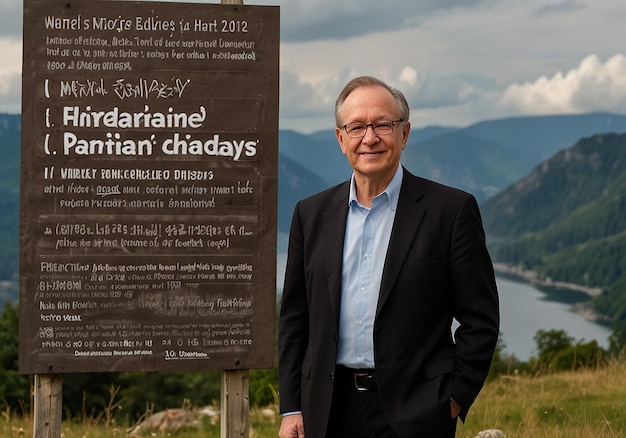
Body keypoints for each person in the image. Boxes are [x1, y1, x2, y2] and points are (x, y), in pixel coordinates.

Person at [278, 76, 499, 438]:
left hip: (418, 412)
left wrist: (453, 398)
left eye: (383, 124)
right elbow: (294, 319)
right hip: (326, 411)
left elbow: (481, 319)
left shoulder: (450, 210)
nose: (370, 138)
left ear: (404, 134)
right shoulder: (310, 214)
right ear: (340, 139)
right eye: (357, 127)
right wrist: (291, 408)